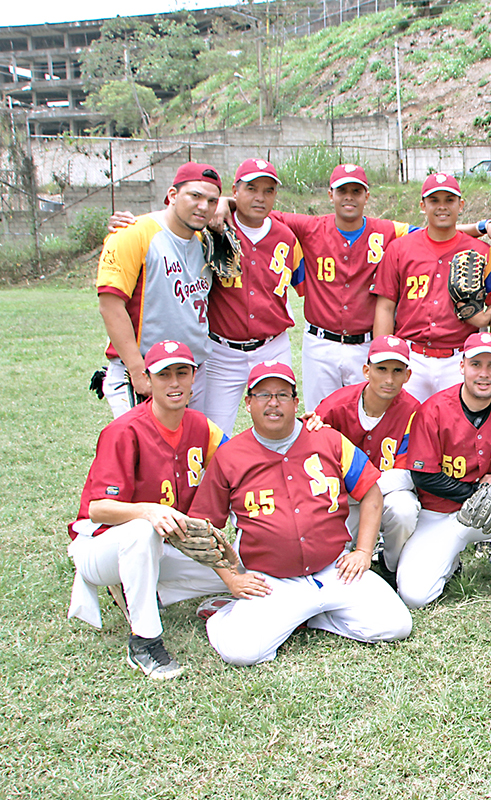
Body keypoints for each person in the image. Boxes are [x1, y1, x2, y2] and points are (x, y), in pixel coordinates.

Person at [221, 164, 491, 410]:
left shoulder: (387, 231)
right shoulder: (309, 226)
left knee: (372, 417)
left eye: (356, 191)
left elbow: (435, 230)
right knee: (322, 416)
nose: (349, 197)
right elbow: (260, 211)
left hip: (369, 344)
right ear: (330, 194)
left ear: (366, 196)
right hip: (320, 343)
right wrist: (225, 203)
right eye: (342, 191)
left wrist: (482, 226)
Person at [189, 361, 411, 666]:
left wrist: (363, 551)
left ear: (296, 402)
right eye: (263, 395)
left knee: (395, 625)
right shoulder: (230, 456)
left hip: (334, 569)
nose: (273, 403)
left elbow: (371, 492)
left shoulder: (328, 439)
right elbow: (204, 528)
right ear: (248, 403)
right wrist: (231, 580)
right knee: (240, 652)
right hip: (270, 580)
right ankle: (226, 611)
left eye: (282, 394)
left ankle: (307, 615)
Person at [67, 340, 229, 678]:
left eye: (181, 373)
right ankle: (144, 641)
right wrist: (147, 510)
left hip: (160, 548)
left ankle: (143, 589)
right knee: (143, 530)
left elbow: (241, 459)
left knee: (246, 563)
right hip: (102, 548)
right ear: (147, 379)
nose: (174, 383)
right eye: (164, 374)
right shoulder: (124, 430)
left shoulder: (201, 426)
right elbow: (97, 509)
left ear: (193, 377)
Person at [397, 332, 491, 613]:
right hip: (438, 515)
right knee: (415, 596)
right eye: (476, 364)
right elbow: (423, 476)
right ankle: (450, 561)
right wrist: (479, 490)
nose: (484, 374)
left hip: (483, 516)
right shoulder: (433, 410)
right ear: (461, 366)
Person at [96, 163, 222, 418]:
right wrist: (137, 370)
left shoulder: (205, 242)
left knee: (189, 454)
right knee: (145, 454)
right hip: (149, 369)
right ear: (172, 196)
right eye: (194, 196)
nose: (203, 206)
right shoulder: (133, 233)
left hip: (192, 370)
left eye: (211, 201)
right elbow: (110, 306)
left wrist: (226, 203)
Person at [372, 173, 491, 402]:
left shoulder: (481, 252)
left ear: (461, 205)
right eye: (434, 201)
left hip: (459, 358)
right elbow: (385, 307)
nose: (442, 207)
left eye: (449, 200)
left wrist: (483, 319)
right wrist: (382, 357)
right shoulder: (400, 248)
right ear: (423, 205)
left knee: (456, 431)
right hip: (410, 356)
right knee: (406, 429)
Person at [203, 158, 303, 435]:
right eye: (251, 188)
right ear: (235, 191)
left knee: (280, 425)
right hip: (222, 350)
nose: (260, 197)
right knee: (212, 429)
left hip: (272, 346)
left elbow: (302, 285)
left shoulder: (286, 237)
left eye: (268, 190)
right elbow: (176, 216)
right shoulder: (214, 227)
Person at [314, 335, 422, 585]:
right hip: (340, 499)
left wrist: (362, 489)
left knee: (404, 509)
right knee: (325, 561)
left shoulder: (413, 411)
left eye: (397, 371)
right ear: (366, 370)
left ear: (407, 376)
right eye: (381, 369)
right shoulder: (335, 406)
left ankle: (392, 565)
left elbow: (407, 474)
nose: (389, 379)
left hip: (385, 495)